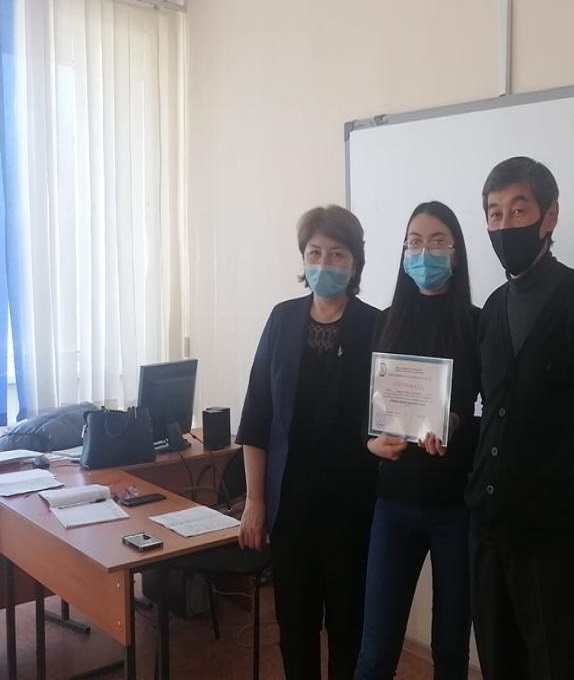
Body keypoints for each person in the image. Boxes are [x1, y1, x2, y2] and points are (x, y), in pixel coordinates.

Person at [465, 156, 574, 680]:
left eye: (519, 210)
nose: (504, 225)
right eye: (494, 213)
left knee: (556, 668)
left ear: (550, 216)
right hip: (490, 530)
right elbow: (492, 412)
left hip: (556, 541)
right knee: (498, 664)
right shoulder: (492, 308)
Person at [235, 204, 380, 679]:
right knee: (295, 627)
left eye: (337, 254)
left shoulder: (376, 326)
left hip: (352, 511)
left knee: (348, 628)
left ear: (355, 264)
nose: (324, 263)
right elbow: (257, 416)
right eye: (315, 252)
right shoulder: (282, 320)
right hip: (290, 510)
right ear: (303, 258)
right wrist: (255, 501)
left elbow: (389, 413)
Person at [354, 201, 480, 680]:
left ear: (456, 252)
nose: (424, 252)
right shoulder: (385, 320)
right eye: (414, 242)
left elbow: (493, 415)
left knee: (450, 650)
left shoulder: (478, 323)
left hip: (456, 508)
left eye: (437, 241)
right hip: (393, 504)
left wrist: (455, 424)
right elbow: (363, 409)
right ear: (403, 253)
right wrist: (370, 443)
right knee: (376, 648)